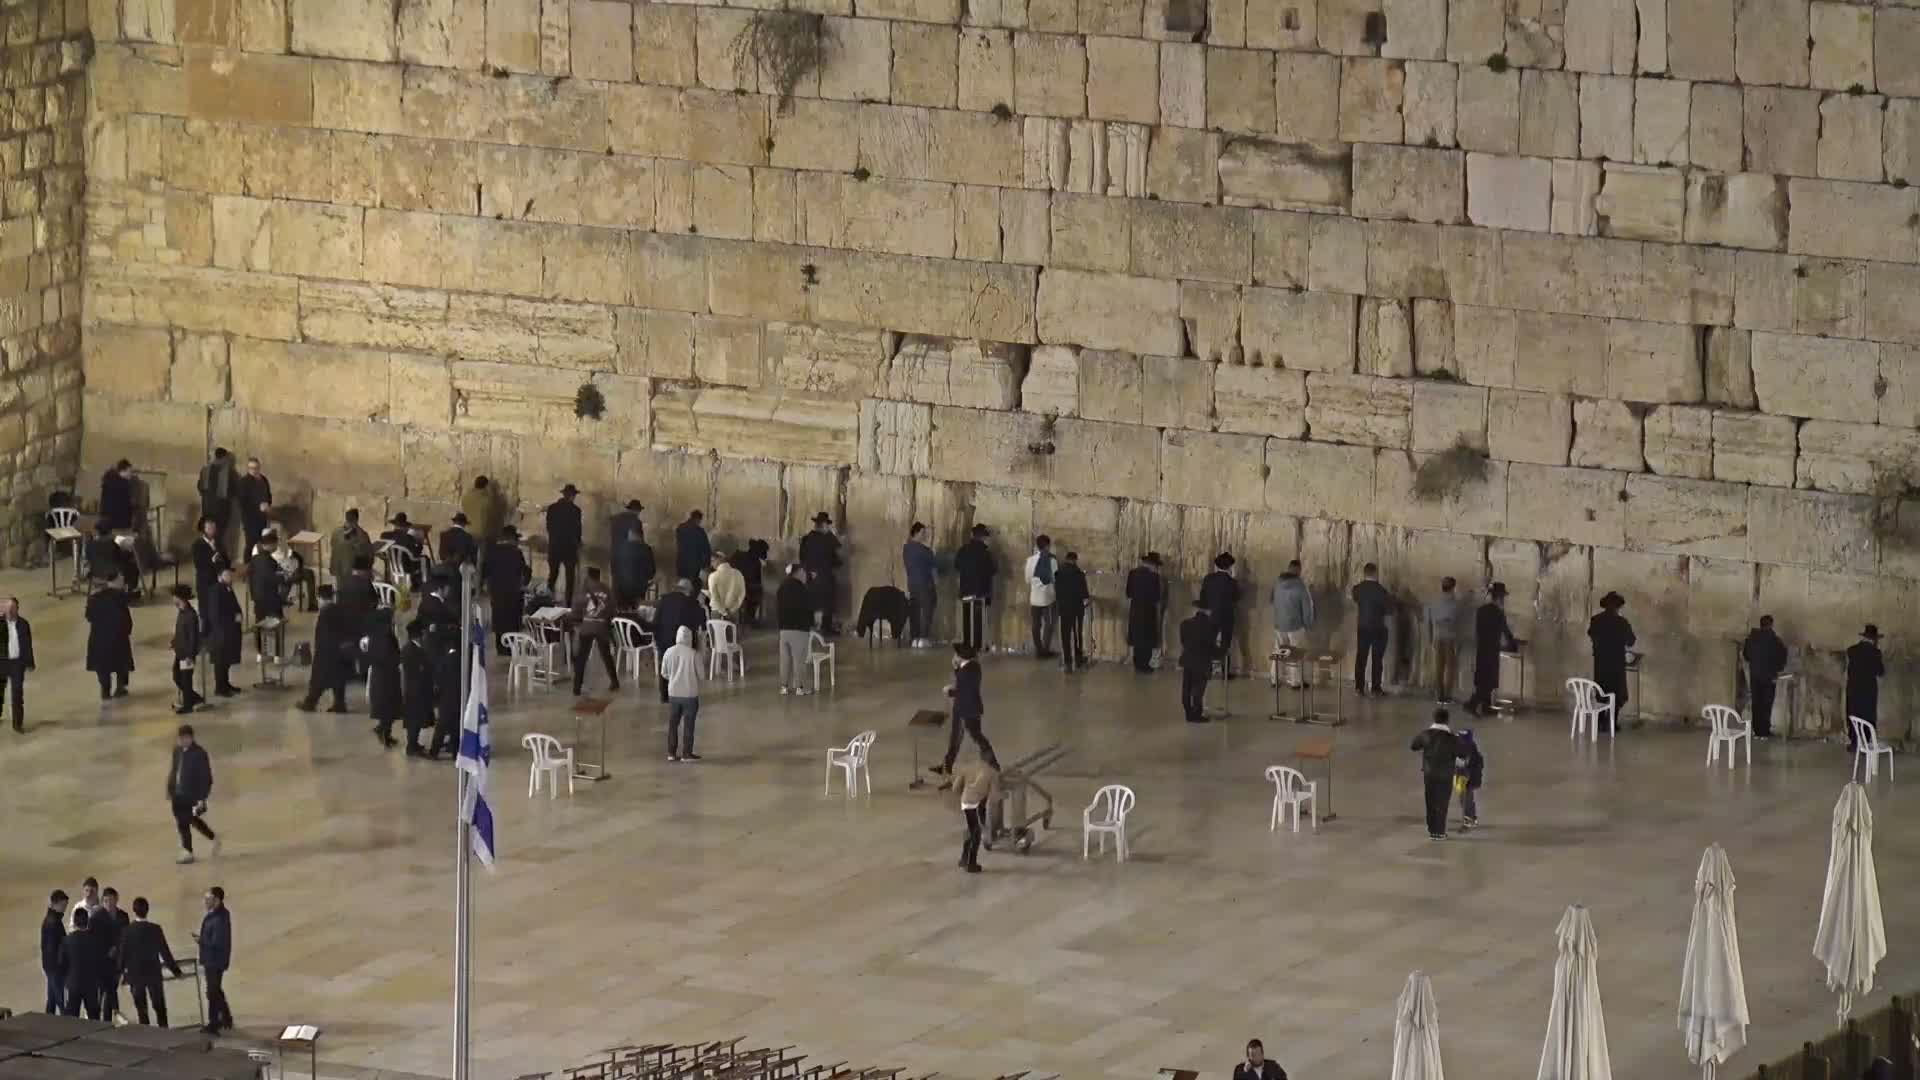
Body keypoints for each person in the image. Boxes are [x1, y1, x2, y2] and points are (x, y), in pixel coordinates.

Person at [936, 642, 998, 774]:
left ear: (961, 656)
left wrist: (949, 692)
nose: (954, 657)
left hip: (969, 710)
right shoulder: (969, 667)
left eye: (955, 654)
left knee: (976, 737)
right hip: (962, 708)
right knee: (955, 739)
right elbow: (962, 683)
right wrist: (956, 668)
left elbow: (965, 691)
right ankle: (947, 766)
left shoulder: (971, 669)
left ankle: (993, 765)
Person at [121, 897, 182, 1027]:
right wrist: (176, 971)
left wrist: (120, 973)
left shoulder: (127, 931)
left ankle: (147, 1036)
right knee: (160, 1009)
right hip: (153, 974)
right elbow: (165, 952)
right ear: (147, 910)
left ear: (134, 910)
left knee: (142, 1011)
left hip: (135, 975)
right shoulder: (155, 929)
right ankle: (164, 1033)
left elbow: (123, 954)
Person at [1464, 582, 1517, 717]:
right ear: (1499, 597)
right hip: (1492, 649)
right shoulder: (1498, 612)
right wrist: (1513, 645)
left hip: (1481, 648)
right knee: (1488, 681)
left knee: (1483, 678)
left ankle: (1486, 707)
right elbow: (1505, 631)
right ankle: (1472, 704)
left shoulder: (1481, 610)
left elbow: (1477, 630)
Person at [297, 585, 352, 714]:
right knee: (338, 678)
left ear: (319, 598)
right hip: (340, 650)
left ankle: (310, 703)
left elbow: (323, 635)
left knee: (318, 679)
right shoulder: (338, 609)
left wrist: (318, 650)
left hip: (327, 651)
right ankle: (339, 704)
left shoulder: (326, 612)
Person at [167, 723, 218, 863]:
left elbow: (206, 777)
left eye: (186, 738)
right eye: (180, 738)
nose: (183, 740)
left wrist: (202, 798)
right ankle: (189, 850)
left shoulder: (199, 753)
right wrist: (170, 789)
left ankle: (199, 845)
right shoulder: (177, 751)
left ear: (191, 738)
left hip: (192, 795)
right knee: (182, 822)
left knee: (190, 820)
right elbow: (174, 771)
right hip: (177, 794)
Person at [1410, 708, 1461, 840]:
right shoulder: (1452, 738)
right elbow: (1462, 753)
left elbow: (1414, 746)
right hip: (1446, 774)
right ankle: (1439, 832)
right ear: (1447, 720)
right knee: (1442, 802)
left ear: (1434, 718)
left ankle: (1432, 829)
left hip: (1429, 773)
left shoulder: (1425, 734)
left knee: (1430, 800)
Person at [570, 567, 620, 695]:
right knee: (606, 655)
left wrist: (580, 620)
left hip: (587, 626)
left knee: (582, 657)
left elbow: (575, 611)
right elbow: (613, 610)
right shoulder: (606, 589)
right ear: (599, 576)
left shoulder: (583, 590)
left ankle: (576, 688)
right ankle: (614, 682)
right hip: (601, 627)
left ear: (588, 576)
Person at [484, 525, 530, 655]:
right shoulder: (516, 552)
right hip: (513, 592)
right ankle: (511, 647)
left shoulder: (491, 552)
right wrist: (525, 583)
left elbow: (485, 571)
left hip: (497, 591)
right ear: (511, 538)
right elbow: (524, 571)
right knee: (512, 620)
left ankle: (500, 647)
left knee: (499, 618)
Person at [1588, 591, 1636, 717]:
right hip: (1616, 664)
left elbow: (1591, 635)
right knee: (1616, 694)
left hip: (1601, 663)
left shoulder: (1595, 620)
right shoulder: (1622, 622)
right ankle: (1613, 722)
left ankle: (1600, 720)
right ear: (1618, 606)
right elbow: (1631, 641)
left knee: (1601, 691)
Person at [85, 580, 135, 701]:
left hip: (99, 638)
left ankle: (105, 690)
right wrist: (127, 630)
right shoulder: (119, 596)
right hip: (118, 635)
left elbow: (89, 616)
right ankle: (120, 687)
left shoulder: (93, 600)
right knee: (121, 663)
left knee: (102, 666)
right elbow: (126, 616)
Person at [193, 887, 233, 1035]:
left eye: (208, 899)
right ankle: (226, 1018)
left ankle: (214, 1024)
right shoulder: (216, 914)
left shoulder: (220, 918)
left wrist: (201, 940)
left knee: (212, 992)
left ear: (216, 900)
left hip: (215, 961)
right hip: (212, 959)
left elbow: (217, 942)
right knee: (215, 990)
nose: (205, 902)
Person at [1742, 614, 1789, 740]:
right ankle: (1764, 731)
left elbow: (1746, 655)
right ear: (1771, 625)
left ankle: (1757, 731)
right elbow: (1782, 656)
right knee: (1766, 704)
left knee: (1756, 703)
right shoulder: (1775, 641)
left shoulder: (1752, 638)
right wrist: (1777, 669)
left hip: (1755, 675)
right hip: (1769, 677)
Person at [661, 625, 703, 762]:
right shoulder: (694, 654)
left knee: (673, 724)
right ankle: (687, 754)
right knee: (689, 725)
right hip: (690, 694)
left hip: (673, 694)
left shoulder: (668, 652)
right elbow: (701, 675)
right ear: (690, 638)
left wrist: (674, 678)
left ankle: (671, 753)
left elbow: (664, 673)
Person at [1270, 560, 1314, 687]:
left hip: (1279, 624)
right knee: (1295, 653)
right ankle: (1295, 681)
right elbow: (1307, 608)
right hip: (1295, 625)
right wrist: (1308, 624)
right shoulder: (1300, 586)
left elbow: (1271, 600)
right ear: (1299, 570)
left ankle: (1275, 679)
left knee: (1278, 652)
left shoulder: (1277, 583)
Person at [799, 511, 844, 635]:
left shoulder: (806, 538)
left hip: (810, 575)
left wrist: (809, 570)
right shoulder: (828, 538)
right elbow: (838, 556)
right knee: (828, 602)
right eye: (827, 525)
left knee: (810, 601)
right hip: (825, 575)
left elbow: (802, 558)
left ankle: (807, 626)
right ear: (824, 525)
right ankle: (826, 627)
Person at [1351, 562, 1392, 696]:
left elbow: (1355, 599)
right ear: (1375, 573)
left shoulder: (1357, 589)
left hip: (1362, 627)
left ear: (1364, 573)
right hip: (1378, 628)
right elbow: (1388, 610)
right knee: (1377, 658)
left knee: (1361, 657)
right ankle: (1375, 688)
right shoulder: (1381, 590)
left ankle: (1359, 688)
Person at [956, 752, 999, 873]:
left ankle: (964, 859)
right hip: (975, 804)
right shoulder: (992, 772)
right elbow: (994, 797)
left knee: (970, 829)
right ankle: (971, 863)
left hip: (965, 801)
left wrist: (966, 793)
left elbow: (956, 787)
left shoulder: (968, 767)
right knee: (976, 832)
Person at [955, 523, 995, 649]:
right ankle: (978, 644)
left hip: (965, 591)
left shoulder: (962, 550)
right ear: (983, 537)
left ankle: (967, 643)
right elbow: (993, 570)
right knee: (979, 619)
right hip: (981, 592)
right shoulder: (985, 553)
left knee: (966, 617)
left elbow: (957, 566)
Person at [1199, 552, 1240, 677]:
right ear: (1230, 567)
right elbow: (1236, 598)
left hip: (1210, 615)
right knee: (1225, 645)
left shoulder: (1208, 578)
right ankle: (1225, 672)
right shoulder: (1232, 582)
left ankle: (1207, 670)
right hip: (1226, 616)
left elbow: (1202, 597)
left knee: (1209, 642)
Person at [775, 565, 814, 695]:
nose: (805, 575)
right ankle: (800, 687)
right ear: (797, 573)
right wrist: (811, 624)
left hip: (784, 630)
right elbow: (808, 608)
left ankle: (784, 687)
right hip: (799, 629)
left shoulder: (781, 587)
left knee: (784, 660)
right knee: (799, 659)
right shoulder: (802, 589)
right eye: (803, 572)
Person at [59, 907, 104, 1019]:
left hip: (73, 983)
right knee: (94, 1017)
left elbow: (61, 963)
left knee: (72, 1018)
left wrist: (66, 979)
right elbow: (100, 962)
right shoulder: (95, 940)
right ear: (87, 922)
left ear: (74, 922)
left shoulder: (66, 941)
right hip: (91, 983)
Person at [1846, 624, 1885, 751]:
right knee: (1868, 717)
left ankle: (1854, 743)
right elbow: (1880, 672)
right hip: (1868, 691)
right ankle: (1865, 742)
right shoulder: (1875, 653)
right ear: (1874, 639)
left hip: (1853, 689)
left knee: (1853, 714)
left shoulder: (1851, 650)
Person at [366, 611, 402, 749]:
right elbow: (391, 656)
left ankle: (384, 730)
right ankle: (384, 733)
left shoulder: (376, 635)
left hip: (381, 677)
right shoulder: (386, 637)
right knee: (388, 709)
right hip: (387, 678)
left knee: (387, 710)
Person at [1424, 576, 1463, 704]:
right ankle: (1447, 696)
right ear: (1453, 588)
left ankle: (1439, 695)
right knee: (1450, 668)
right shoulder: (1455, 603)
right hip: (1450, 638)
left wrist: (1430, 638)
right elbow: (1458, 624)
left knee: (1438, 668)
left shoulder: (1433, 601)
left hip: (1437, 637)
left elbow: (1428, 622)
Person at [1125, 552, 1165, 673]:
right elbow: (1157, 597)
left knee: (1137, 637)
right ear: (1153, 564)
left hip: (1135, 610)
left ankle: (1137, 663)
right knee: (1147, 638)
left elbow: (1128, 593)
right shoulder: (1154, 577)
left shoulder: (1132, 573)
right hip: (1148, 611)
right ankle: (1145, 666)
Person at [95, 887, 129, 1022]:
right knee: (105, 990)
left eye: (111, 900)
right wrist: (106, 950)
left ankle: (108, 1018)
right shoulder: (97, 918)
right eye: (105, 901)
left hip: (118, 961)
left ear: (116, 899)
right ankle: (107, 1017)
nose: (108, 904)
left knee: (111, 989)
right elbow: (94, 939)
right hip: (102, 961)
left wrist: (117, 948)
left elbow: (125, 938)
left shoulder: (123, 916)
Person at [544, 484, 582, 603]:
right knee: (570, 578)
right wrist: (578, 543)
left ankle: (547, 600)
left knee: (553, 575)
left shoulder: (552, 508)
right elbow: (577, 530)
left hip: (555, 546)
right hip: (569, 548)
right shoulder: (575, 511)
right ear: (572, 496)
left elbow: (549, 527)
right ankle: (568, 603)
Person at [1, 596, 34, 733]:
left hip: (17, 664)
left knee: (17, 694)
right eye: (7, 608)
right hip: (2, 662)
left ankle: (17, 724)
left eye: (12, 608)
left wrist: (30, 662)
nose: (10, 611)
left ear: (17, 609)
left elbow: (27, 644)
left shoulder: (23, 624)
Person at [195, 448, 238, 554]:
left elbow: (200, 487)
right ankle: (216, 558)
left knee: (208, 534)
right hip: (221, 509)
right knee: (219, 535)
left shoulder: (205, 470)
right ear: (224, 458)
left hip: (207, 507)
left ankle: (208, 556)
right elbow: (234, 491)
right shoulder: (230, 472)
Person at [1178, 599, 1214, 723]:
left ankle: (1188, 713)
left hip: (1188, 659)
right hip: (1202, 661)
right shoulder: (1210, 626)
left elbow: (1183, 642)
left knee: (1186, 687)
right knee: (1198, 689)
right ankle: (1197, 714)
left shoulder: (1185, 624)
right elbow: (1211, 646)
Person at [191, 514, 229, 634]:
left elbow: (226, 560)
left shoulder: (219, 543)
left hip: (219, 582)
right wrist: (212, 560)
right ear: (204, 529)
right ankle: (206, 636)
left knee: (218, 609)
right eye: (209, 527)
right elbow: (199, 564)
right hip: (205, 583)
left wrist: (224, 567)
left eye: (214, 526)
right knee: (206, 611)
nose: (212, 529)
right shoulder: (197, 545)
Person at [208, 569, 243, 698]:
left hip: (230, 631)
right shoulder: (216, 590)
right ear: (219, 576)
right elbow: (215, 614)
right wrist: (233, 618)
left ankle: (226, 684)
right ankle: (220, 688)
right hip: (221, 632)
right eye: (227, 575)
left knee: (227, 660)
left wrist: (238, 614)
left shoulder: (227, 588)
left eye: (230, 575)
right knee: (221, 661)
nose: (230, 577)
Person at [401, 622, 434, 757]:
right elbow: (418, 670)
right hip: (415, 691)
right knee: (414, 721)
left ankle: (414, 744)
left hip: (417, 689)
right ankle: (411, 746)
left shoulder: (415, 648)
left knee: (417, 720)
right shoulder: (410, 650)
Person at [170, 586, 204, 715]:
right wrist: (174, 642)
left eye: (174, 597)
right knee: (177, 676)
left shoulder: (190, 615)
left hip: (187, 655)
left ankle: (188, 705)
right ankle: (194, 697)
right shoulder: (181, 611)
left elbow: (193, 637)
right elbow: (180, 631)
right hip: (180, 652)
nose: (173, 599)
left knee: (186, 679)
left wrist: (190, 655)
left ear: (180, 598)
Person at [1054, 551, 1090, 671]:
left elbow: (1056, 591)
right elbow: (1085, 594)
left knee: (1065, 635)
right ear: (1075, 560)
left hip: (1064, 608)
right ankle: (1078, 659)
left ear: (1066, 559)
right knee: (1077, 634)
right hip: (1077, 608)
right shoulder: (1079, 573)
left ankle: (1067, 662)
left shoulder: (1058, 573)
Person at [1023, 534, 1058, 659]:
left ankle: (1039, 649)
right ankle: (1045, 649)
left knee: (1036, 625)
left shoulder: (1030, 560)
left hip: (1034, 597)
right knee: (1049, 624)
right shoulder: (1052, 560)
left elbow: (1027, 579)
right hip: (1048, 597)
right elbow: (1055, 579)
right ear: (1048, 546)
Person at [609, 499, 648, 605]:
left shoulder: (615, 519)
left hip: (615, 557)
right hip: (630, 560)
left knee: (617, 586)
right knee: (631, 589)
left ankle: (617, 608)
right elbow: (638, 542)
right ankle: (632, 609)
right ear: (637, 510)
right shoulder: (636, 522)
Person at [235, 457, 272, 554]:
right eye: (251, 468)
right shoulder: (244, 482)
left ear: (259, 468)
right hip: (250, 519)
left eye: (256, 468)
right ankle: (248, 562)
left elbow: (268, 495)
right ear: (248, 469)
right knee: (251, 544)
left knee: (262, 544)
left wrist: (268, 504)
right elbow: (242, 502)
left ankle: (259, 562)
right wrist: (258, 507)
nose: (254, 470)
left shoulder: (263, 479)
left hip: (262, 518)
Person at [329, 508, 374, 587]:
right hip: (351, 572)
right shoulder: (361, 534)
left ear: (346, 518)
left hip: (336, 569)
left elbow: (332, 544)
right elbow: (367, 553)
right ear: (357, 519)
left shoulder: (336, 532)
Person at [728, 539, 768, 626]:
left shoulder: (738, 556)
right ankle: (749, 618)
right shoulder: (756, 562)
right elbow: (757, 580)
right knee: (756, 594)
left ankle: (746, 618)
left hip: (732, 588)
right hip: (747, 590)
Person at [41, 888, 68, 1013]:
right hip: (55, 967)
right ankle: (67, 1022)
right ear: (56, 904)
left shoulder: (52, 919)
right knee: (60, 1001)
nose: (65, 908)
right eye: (63, 905)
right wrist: (61, 966)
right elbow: (53, 948)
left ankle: (48, 1019)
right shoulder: (53, 922)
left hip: (50, 966)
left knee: (52, 999)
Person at [462, 476, 503, 551]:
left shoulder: (466, 497)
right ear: (486, 486)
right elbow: (495, 516)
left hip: (468, 531)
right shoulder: (488, 500)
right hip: (482, 534)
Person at [674, 509, 712, 587]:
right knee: (693, 586)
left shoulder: (680, 528)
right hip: (694, 564)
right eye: (700, 521)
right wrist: (706, 564)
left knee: (682, 585)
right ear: (697, 519)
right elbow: (706, 549)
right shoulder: (699, 531)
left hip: (682, 562)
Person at [1456, 728, 1485, 830]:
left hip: (1469, 779)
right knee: (1464, 799)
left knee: (1466, 800)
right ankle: (1472, 819)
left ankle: (1468, 822)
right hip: (1462, 778)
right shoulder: (1465, 748)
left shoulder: (1471, 751)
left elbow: (1467, 765)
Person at [707, 552, 746, 622]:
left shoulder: (713, 576)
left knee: (717, 629)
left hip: (717, 612)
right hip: (733, 612)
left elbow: (715, 597)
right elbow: (742, 594)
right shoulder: (738, 573)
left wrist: (724, 613)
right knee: (733, 629)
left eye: (712, 561)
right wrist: (733, 609)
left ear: (719, 560)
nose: (711, 564)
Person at [100, 459, 136, 531]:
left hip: (107, 521)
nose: (130, 474)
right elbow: (125, 504)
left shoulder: (108, 481)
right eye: (129, 471)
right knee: (119, 538)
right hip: (120, 523)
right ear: (124, 470)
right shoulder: (123, 484)